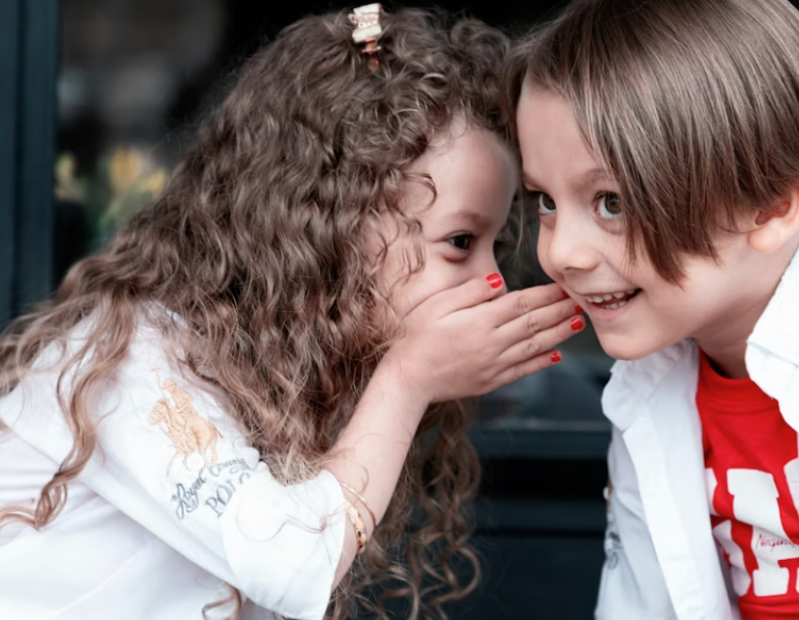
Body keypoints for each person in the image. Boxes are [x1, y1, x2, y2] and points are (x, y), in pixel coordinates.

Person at [0, 6, 584, 620]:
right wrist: (408, 379)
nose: (492, 283)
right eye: (460, 243)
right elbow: (290, 565)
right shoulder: (133, 359)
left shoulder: (290, 374)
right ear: (335, 226)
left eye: (496, 246)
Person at [505, 0, 799, 618]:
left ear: (770, 206)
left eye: (611, 201)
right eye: (546, 200)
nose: (561, 252)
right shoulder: (648, 385)